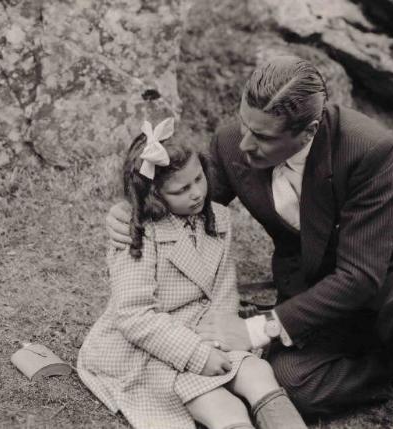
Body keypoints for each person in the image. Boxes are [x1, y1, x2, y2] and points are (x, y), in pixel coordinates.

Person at [106, 57, 393, 428]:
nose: (244, 144)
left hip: (389, 269)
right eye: (244, 124)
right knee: (290, 382)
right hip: (313, 286)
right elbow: (194, 207)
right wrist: (133, 212)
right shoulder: (230, 143)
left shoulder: (367, 148)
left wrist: (260, 328)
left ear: (308, 132)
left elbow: (361, 275)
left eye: (261, 136)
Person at [77, 117, 307, 429]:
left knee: (258, 373)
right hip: (148, 345)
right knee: (222, 406)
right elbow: (133, 314)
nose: (197, 193)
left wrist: (224, 334)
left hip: (204, 329)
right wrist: (197, 354)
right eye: (181, 190)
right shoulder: (140, 232)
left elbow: (224, 289)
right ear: (155, 196)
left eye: (199, 179)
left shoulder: (219, 218)